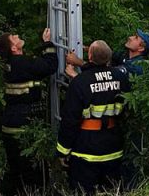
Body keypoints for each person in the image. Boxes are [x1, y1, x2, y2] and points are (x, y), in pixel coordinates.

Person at [57, 40, 130, 193]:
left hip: (86, 151)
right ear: (108, 58)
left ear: (89, 56)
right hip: (113, 147)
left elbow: (70, 120)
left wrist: (62, 152)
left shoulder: (80, 82)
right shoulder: (121, 78)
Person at [0, 28, 58, 196]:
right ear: (14, 48)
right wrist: (48, 44)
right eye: (13, 37)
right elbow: (50, 66)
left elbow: (34, 66)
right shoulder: (22, 63)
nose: (17, 36)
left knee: (16, 168)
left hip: (10, 122)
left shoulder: (11, 65)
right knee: (33, 168)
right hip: (24, 124)